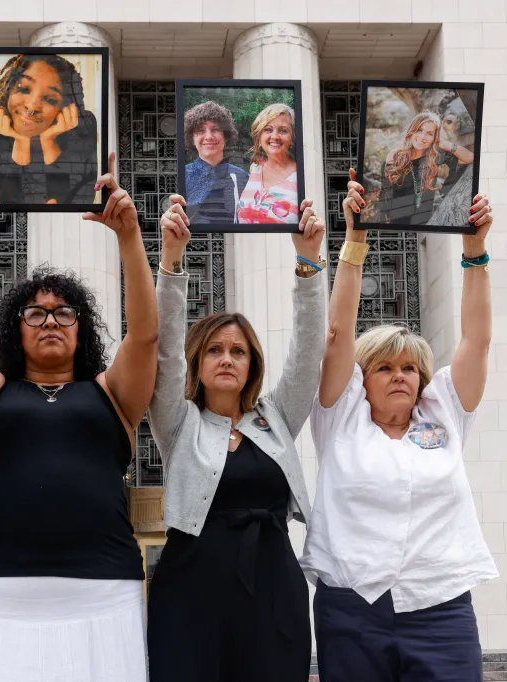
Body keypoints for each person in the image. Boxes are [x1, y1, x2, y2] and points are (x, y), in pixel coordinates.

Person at [0, 154, 157, 682]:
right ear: (18, 329)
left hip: (103, 594)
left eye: (64, 312)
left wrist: (129, 237)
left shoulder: (112, 393)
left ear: (81, 329)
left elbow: (146, 337)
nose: (50, 321)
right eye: (35, 313)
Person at [302, 168, 497, 682]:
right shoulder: (340, 418)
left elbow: (475, 342)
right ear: (361, 381)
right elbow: (339, 333)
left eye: (409, 367)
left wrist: (475, 253)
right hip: (352, 610)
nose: (399, 376)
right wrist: (355, 240)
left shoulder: (445, 412)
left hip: (440, 608)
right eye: (384, 367)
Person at [146, 192, 326, 681]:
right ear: (198, 363)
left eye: (239, 351)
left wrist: (308, 263)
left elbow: (309, 353)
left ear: (252, 365)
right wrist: (171, 263)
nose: (227, 359)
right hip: (190, 591)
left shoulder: (277, 419)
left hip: (272, 589)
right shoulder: (178, 422)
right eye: (215, 350)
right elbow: (161, 354)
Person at [0, 53, 99, 205]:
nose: (31, 107)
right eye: (23, 89)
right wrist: (21, 140)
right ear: (9, 90)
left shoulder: (83, 125)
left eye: (50, 99)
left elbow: (79, 199)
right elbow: (8, 201)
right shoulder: (4, 126)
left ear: (63, 107)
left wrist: (48, 141)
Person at [377, 111, 475, 225]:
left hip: (425, 223)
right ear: (412, 131)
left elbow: (469, 157)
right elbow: (384, 193)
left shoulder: (435, 157)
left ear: (435, 138)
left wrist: (444, 144)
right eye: (419, 130)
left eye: (429, 133)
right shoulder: (395, 156)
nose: (422, 137)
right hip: (396, 223)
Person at [182, 100, 249, 223]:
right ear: (192, 138)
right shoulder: (183, 175)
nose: (209, 136)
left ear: (226, 135)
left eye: (215, 129)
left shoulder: (242, 177)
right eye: (201, 130)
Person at [236, 103, 300, 225]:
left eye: (283, 130)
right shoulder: (255, 169)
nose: (275, 136)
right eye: (268, 130)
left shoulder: (301, 174)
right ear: (259, 138)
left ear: (292, 138)